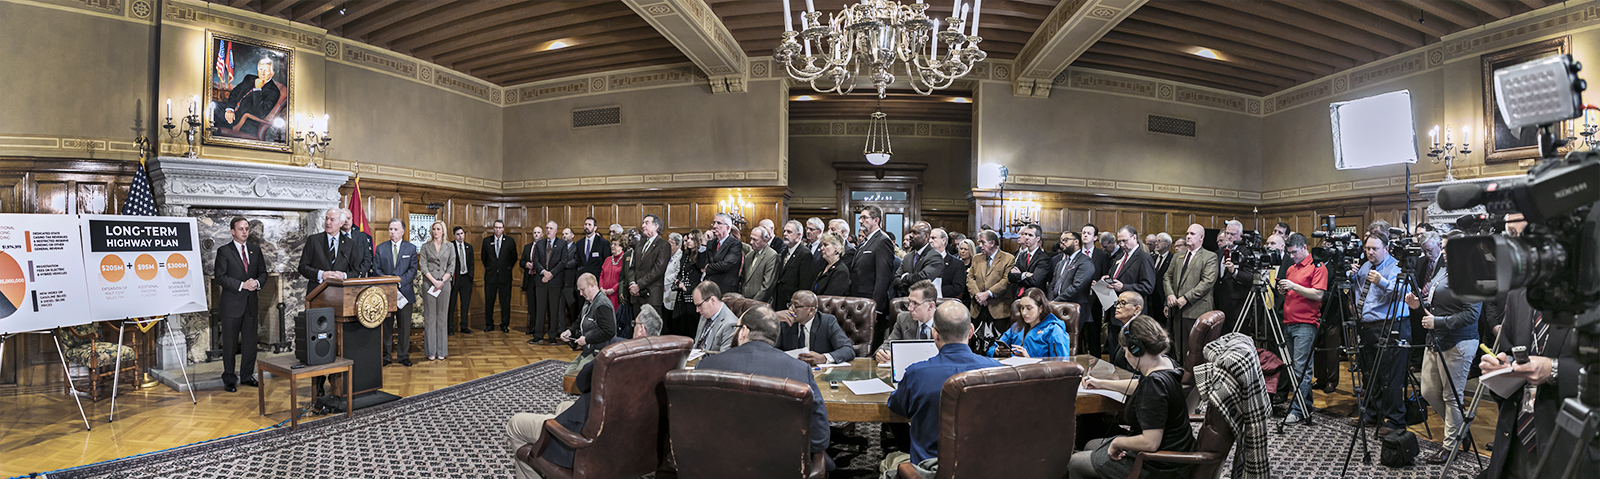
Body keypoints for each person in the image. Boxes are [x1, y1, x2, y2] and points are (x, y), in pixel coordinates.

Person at [506, 304, 662, 479]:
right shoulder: (664, 363)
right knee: (562, 406)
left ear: (641, 329)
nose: (632, 327)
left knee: (515, 425)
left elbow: (581, 382)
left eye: (635, 324)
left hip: (587, 444)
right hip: (626, 442)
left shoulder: (616, 354)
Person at [699, 305, 834, 470]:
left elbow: (693, 422)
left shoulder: (706, 365)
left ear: (743, 331)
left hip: (718, 463)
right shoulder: (800, 370)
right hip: (781, 466)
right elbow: (820, 437)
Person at [881, 301, 1003, 476]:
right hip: (983, 467)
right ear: (971, 331)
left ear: (934, 334)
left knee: (889, 461)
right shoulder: (997, 370)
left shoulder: (916, 373)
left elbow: (896, 407)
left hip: (929, 469)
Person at [1070, 314, 1195, 479]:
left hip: (1158, 466)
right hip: (1175, 452)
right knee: (1089, 444)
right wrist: (1101, 383)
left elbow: (1150, 442)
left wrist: (1117, 443)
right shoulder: (1166, 363)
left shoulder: (1154, 384)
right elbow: (1139, 385)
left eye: (1125, 349)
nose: (1125, 354)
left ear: (1136, 349)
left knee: (1074, 462)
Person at [1402, 238, 1479, 464]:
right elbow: (1434, 303)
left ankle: (1449, 447)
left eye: (1448, 247)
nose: (1444, 251)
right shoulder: (1443, 271)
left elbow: (1472, 315)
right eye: (1443, 247)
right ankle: (1461, 430)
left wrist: (1439, 322)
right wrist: (1419, 306)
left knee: (1451, 396)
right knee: (1428, 391)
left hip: (1459, 342)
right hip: (1435, 339)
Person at [1353, 233, 1410, 436]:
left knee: (1390, 377)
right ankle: (1372, 413)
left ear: (1386, 248)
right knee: (1370, 374)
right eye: (1367, 248)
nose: (1370, 252)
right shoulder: (1365, 266)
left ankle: (1395, 420)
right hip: (1367, 326)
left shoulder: (1396, 267)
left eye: (1375, 249)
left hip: (1390, 326)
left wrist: (1382, 282)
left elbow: (1403, 293)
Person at [1276, 233, 1326, 425]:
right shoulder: (1291, 268)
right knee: (1292, 369)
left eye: (1294, 252)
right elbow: (1293, 293)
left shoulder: (1317, 267)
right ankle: (1305, 406)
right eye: (1289, 253)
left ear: (1304, 247)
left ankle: (1298, 409)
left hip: (1306, 324)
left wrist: (1293, 286)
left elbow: (1318, 294)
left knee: (1301, 370)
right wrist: (1284, 290)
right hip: (1288, 322)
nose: (1292, 256)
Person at [214, 217, 264, 392]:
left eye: (247, 228)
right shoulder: (224, 251)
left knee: (250, 344)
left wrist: (257, 283)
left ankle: (247, 376)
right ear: (232, 231)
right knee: (229, 344)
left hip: (251, 304)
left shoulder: (255, 250)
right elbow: (220, 277)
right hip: (231, 305)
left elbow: (263, 273)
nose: (245, 232)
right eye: (241, 229)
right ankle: (229, 379)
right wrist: (242, 285)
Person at [1163, 224, 1218, 364]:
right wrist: (1170, 294)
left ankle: (1193, 376)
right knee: (1178, 348)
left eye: (1192, 234)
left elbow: (1207, 282)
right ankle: (1180, 373)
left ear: (1201, 237)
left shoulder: (1210, 256)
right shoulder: (1178, 256)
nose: (1188, 236)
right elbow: (1167, 277)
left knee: (1195, 350)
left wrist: (1186, 298)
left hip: (1196, 309)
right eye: (1187, 233)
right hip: (1177, 310)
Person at [375, 218, 419, 367]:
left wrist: (399, 281)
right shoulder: (380, 248)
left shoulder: (411, 248)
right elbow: (376, 270)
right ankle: (386, 356)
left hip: (405, 294)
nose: (392, 232)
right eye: (390, 229)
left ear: (402, 231)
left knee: (404, 327)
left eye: (395, 229)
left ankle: (403, 355)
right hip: (386, 294)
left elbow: (413, 270)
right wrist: (389, 282)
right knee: (387, 327)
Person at [776, 290, 857, 365]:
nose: (790, 309)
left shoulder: (827, 322)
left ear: (811, 311)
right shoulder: (786, 321)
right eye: (790, 305)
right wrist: (774, 317)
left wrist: (823, 358)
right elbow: (770, 349)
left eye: (796, 306)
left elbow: (848, 350)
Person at [966, 230, 1015, 354]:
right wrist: (978, 295)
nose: (980, 246)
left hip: (998, 309)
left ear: (992, 243)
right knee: (976, 346)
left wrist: (988, 294)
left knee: (997, 347)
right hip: (978, 309)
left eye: (983, 242)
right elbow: (970, 278)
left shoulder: (1008, 258)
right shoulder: (976, 258)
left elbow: (1006, 281)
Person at [213, 56, 284, 139]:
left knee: (214, 121)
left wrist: (257, 89)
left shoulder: (274, 91)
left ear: (272, 74)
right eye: (261, 69)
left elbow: (260, 113)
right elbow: (235, 92)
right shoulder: (249, 78)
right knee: (213, 107)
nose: (262, 73)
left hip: (246, 121)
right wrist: (230, 109)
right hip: (234, 111)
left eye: (266, 71)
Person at [989, 287, 1071, 358]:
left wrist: (1029, 359)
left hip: (1036, 371)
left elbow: (1061, 364)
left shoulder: (1053, 330)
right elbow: (991, 350)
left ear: (1041, 308)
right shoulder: (1016, 327)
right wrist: (997, 351)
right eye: (1022, 308)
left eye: (1029, 308)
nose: (1024, 313)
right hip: (1011, 368)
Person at [562, 273, 617, 374]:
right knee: (568, 375)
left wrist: (586, 339)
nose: (580, 294)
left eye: (582, 290)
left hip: (599, 352)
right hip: (589, 350)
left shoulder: (602, 305)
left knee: (577, 378)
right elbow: (580, 319)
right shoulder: (588, 301)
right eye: (579, 290)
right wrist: (570, 331)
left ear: (592, 285)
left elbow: (609, 331)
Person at [853, 206, 897, 328]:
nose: (860, 221)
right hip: (859, 300)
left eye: (864, 218)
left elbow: (883, 277)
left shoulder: (883, 240)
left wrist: (876, 307)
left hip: (870, 303)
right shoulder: (865, 241)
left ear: (876, 220)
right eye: (860, 218)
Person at [418, 221, 455, 361]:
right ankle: (431, 351)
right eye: (433, 229)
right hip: (429, 284)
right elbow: (423, 266)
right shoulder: (425, 246)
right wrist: (434, 281)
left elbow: (452, 266)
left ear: (443, 231)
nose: (435, 231)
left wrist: (442, 281)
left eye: (438, 229)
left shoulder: (450, 246)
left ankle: (441, 351)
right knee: (430, 317)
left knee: (442, 317)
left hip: (444, 285)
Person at [876, 280, 939, 362]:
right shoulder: (903, 319)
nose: (909, 308)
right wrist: (882, 354)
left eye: (915, 303)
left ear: (930, 306)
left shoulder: (946, 322)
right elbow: (887, 345)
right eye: (909, 302)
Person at [530, 221, 570, 345]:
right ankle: (538, 335)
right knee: (540, 309)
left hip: (555, 281)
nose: (548, 230)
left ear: (556, 231)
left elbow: (563, 261)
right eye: (547, 228)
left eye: (551, 228)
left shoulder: (562, 244)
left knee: (554, 309)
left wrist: (551, 274)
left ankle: (552, 335)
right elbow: (535, 260)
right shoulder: (540, 243)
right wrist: (543, 272)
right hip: (541, 281)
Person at [297, 208, 356, 292]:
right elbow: (302, 267)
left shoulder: (350, 244)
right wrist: (321, 274)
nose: (327, 222)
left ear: (341, 223)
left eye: (332, 220)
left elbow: (356, 271)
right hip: (317, 291)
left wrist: (344, 276)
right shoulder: (313, 240)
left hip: (341, 292)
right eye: (326, 218)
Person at [1050, 231, 1096, 333]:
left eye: (1066, 240)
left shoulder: (1085, 261)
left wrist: (1055, 302)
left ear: (1076, 242)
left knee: (1072, 340)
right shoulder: (1061, 263)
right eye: (1061, 241)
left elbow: (1077, 286)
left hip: (1074, 308)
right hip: (1057, 308)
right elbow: (1052, 285)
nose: (1062, 243)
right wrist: (1050, 301)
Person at [629, 215, 670, 323]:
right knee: (637, 328)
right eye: (643, 223)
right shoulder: (639, 244)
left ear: (656, 226)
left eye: (647, 223)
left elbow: (658, 270)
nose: (643, 225)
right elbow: (632, 267)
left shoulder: (663, 245)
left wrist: (639, 285)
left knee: (651, 329)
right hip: (636, 296)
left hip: (651, 296)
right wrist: (632, 284)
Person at [1215, 220, 1254, 332]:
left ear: (1241, 235)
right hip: (1220, 304)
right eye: (1227, 233)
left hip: (1238, 307)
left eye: (1233, 234)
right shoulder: (1220, 252)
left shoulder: (1247, 253)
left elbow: (1249, 278)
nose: (1229, 237)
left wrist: (1234, 272)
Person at [482, 219, 517, 333]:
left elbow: (514, 257)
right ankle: (489, 325)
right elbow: (484, 258)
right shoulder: (486, 241)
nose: (498, 229)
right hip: (490, 276)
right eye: (496, 227)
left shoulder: (510, 241)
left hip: (505, 277)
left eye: (500, 227)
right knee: (489, 302)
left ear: (503, 229)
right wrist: (491, 267)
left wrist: (506, 268)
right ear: (493, 228)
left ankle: (504, 325)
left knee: (505, 302)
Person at [774, 220, 818, 311]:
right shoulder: (785, 251)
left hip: (793, 303)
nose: (785, 234)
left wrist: (797, 304)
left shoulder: (805, 254)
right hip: (780, 300)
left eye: (789, 232)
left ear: (798, 235)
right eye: (784, 231)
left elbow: (805, 284)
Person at [893, 222, 944, 298]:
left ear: (926, 236)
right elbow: (896, 279)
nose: (910, 235)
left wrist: (905, 277)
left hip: (927, 301)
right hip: (908, 299)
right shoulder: (908, 257)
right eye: (910, 232)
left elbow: (922, 279)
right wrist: (907, 290)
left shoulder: (935, 257)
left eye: (915, 233)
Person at [671, 230, 705, 337]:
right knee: (680, 326)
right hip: (682, 294)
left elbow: (700, 276)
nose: (688, 241)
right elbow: (681, 271)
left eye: (692, 239)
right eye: (688, 239)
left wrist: (687, 288)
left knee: (692, 327)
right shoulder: (686, 255)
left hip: (693, 294)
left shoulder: (701, 255)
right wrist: (678, 280)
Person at [1008, 224, 1052, 300]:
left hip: (1034, 297)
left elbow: (1035, 281)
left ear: (1037, 238)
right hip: (1017, 296)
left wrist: (1019, 276)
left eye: (1030, 235)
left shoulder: (1044, 258)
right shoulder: (1022, 255)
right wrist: (1024, 275)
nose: (1026, 237)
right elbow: (1010, 277)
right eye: (1025, 234)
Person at [690, 281, 737, 352]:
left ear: (712, 300)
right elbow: (696, 344)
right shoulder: (705, 314)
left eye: (699, 305)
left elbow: (724, 355)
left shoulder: (730, 324)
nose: (697, 310)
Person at [703, 213, 743, 295]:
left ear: (727, 227)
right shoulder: (710, 243)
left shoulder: (735, 244)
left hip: (726, 289)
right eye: (714, 223)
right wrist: (703, 243)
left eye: (719, 223)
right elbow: (701, 264)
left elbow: (726, 265)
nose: (714, 226)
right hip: (709, 287)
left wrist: (708, 268)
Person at [740, 225, 779, 303]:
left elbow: (767, 285)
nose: (751, 242)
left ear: (764, 240)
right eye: (751, 238)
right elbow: (744, 279)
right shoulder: (749, 256)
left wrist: (754, 302)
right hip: (745, 300)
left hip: (761, 303)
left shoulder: (771, 255)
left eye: (755, 240)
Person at [449, 226, 476, 334]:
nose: (460, 236)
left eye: (462, 233)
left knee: (465, 304)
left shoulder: (469, 247)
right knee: (451, 304)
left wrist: (471, 276)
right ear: (454, 236)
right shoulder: (450, 246)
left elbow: (472, 263)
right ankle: (450, 328)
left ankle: (464, 326)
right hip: (455, 278)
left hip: (466, 278)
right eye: (458, 234)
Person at [519, 227, 544, 338]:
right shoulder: (527, 247)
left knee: (540, 304)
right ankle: (532, 326)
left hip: (540, 279)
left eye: (538, 233)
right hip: (529, 279)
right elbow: (521, 262)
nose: (536, 234)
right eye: (534, 233)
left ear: (542, 234)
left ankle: (539, 327)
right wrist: (526, 264)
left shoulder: (544, 247)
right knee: (531, 304)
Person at [1146, 233, 1174, 325]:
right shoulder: (1152, 258)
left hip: (1163, 298)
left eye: (1159, 241)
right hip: (1150, 299)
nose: (1156, 243)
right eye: (1155, 241)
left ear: (1167, 243)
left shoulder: (1173, 259)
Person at [929, 228, 964, 300]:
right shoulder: (922, 260)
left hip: (946, 302)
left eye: (933, 238)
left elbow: (957, 288)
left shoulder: (957, 264)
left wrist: (934, 291)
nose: (930, 241)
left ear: (943, 240)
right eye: (929, 238)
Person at [813, 232, 852, 296]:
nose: (821, 248)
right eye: (822, 245)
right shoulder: (824, 265)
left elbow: (831, 297)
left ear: (836, 247)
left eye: (825, 245)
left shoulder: (841, 271)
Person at [599, 236, 626, 318]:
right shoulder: (608, 259)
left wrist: (613, 289)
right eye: (612, 244)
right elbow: (602, 275)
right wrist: (601, 288)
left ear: (621, 247)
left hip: (616, 296)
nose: (612, 246)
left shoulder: (625, 260)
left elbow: (624, 277)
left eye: (615, 244)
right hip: (604, 294)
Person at [342, 209, 372, 279]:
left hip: (358, 278)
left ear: (352, 219)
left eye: (349, 218)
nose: (346, 221)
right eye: (344, 219)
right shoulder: (335, 237)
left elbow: (367, 259)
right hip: (341, 278)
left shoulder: (362, 237)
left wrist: (359, 273)